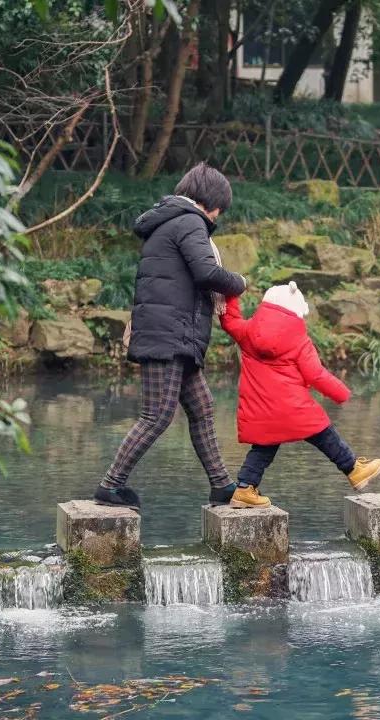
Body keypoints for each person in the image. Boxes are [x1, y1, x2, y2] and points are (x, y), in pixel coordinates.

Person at [95, 163, 247, 511]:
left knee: (202, 408)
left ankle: (221, 485)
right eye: (220, 210)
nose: (218, 216)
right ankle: (110, 486)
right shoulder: (190, 221)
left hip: (174, 333)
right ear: (212, 202)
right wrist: (238, 282)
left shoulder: (170, 221)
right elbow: (206, 272)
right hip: (168, 334)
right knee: (157, 415)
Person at [218, 281, 380, 508]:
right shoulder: (299, 340)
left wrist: (231, 290)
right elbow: (316, 374)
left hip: (260, 408)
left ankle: (245, 488)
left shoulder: (247, 331)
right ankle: (353, 469)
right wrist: (342, 393)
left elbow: (229, 320)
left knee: (263, 447)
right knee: (325, 434)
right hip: (294, 408)